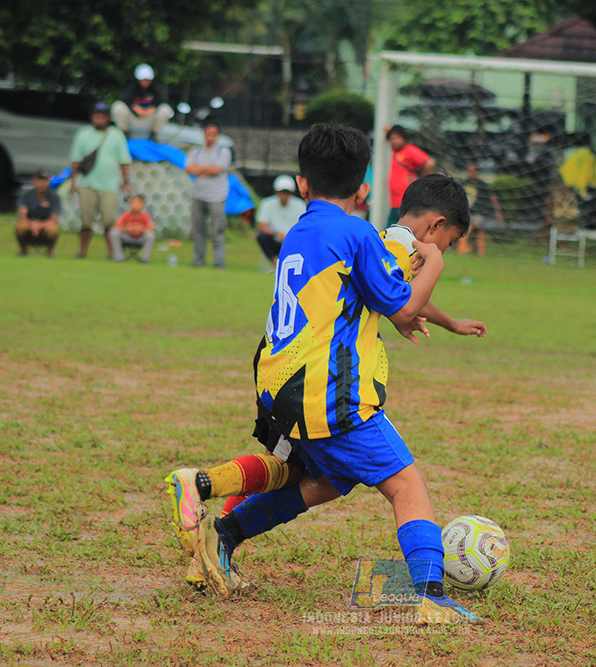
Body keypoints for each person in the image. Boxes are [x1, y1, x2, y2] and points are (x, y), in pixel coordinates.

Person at [164, 124, 485, 625]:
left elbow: (383, 292)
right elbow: (402, 308)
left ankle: (215, 515)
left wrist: (447, 321)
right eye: (448, 238)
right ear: (364, 191)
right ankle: (429, 594)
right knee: (406, 485)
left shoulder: (303, 230)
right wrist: (437, 264)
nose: (442, 246)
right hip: (328, 391)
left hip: (279, 380)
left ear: (303, 185)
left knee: (324, 479)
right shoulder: (364, 235)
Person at [69, 102, 132, 259]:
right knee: (85, 219)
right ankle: (82, 250)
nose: (99, 120)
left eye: (102, 117)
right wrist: (73, 182)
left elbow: (123, 161)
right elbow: (75, 160)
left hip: (109, 185)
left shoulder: (116, 135)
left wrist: (126, 181)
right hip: (87, 183)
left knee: (109, 221)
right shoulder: (83, 134)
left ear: (108, 119)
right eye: (96, 117)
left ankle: (112, 252)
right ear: (92, 118)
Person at [185, 119, 231, 269]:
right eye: (208, 134)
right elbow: (189, 169)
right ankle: (198, 262)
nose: (210, 137)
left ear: (217, 136)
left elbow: (217, 170)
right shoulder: (196, 151)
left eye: (213, 135)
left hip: (217, 196)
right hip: (198, 194)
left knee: (217, 231)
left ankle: (219, 263)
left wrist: (200, 170)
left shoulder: (223, 151)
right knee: (198, 231)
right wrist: (206, 169)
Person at [386, 125, 435, 226]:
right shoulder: (395, 151)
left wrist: (420, 179)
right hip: (395, 202)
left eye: (397, 138)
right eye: (392, 139)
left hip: (404, 200)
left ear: (404, 138)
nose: (394, 141)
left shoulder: (409, 150)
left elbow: (429, 162)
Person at [111, 64, 174, 140]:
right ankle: (124, 134)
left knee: (165, 109)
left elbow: (161, 103)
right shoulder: (132, 88)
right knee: (118, 106)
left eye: (147, 80)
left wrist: (150, 110)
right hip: (133, 120)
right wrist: (136, 108)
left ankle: (153, 135)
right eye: (143, 80)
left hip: (148, 120)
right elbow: (125, 102)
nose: (145, 82)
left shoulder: (154, 90)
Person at [255, 174, 306, 266]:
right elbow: (262, 226)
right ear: (276, 192)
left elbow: (304, 225)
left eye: (286, 192)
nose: (284, 195)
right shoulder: (267, 203)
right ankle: (274, 264)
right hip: (274, 239)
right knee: (262, 237)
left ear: (292, 193)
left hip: (293, 239)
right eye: (282, 192)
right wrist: (278, 234)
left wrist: (289, 235)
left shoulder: (300, 205)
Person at [459, 162, 505, 256]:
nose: (471, 173)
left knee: (476, 224)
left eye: (473, 171)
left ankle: (475, 246)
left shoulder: (483, 185)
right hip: (465, 213)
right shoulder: (464, 184)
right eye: (469, 171)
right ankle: (464, 247)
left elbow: (493, 198)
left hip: (478, 213)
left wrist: (498, 213)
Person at [15, 170, 62, 257]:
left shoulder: (54, 197)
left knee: (53, 229)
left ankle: (50, 251)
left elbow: (54, 219)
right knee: (21, 226)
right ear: (35, 181)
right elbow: (23, 216)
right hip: (30, 223)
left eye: (45, 181)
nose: (42, 183)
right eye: (40, 180)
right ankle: (23, 249)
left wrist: (39, 225)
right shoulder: (26, 195)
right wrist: (32, 224)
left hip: (45, 225)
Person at [110, 194, 156, 263]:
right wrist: (127, 229)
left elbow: (150, 228)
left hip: (140, 238)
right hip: (128, 237)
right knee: (114, 232)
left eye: (138, 203)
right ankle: (119, 257)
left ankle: (145, 259)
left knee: (150, 235)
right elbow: (117, 226)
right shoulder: (126, 215)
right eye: (133, 202)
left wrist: (140, 229)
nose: (135, 205)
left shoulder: (145, 216)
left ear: (142, 205)